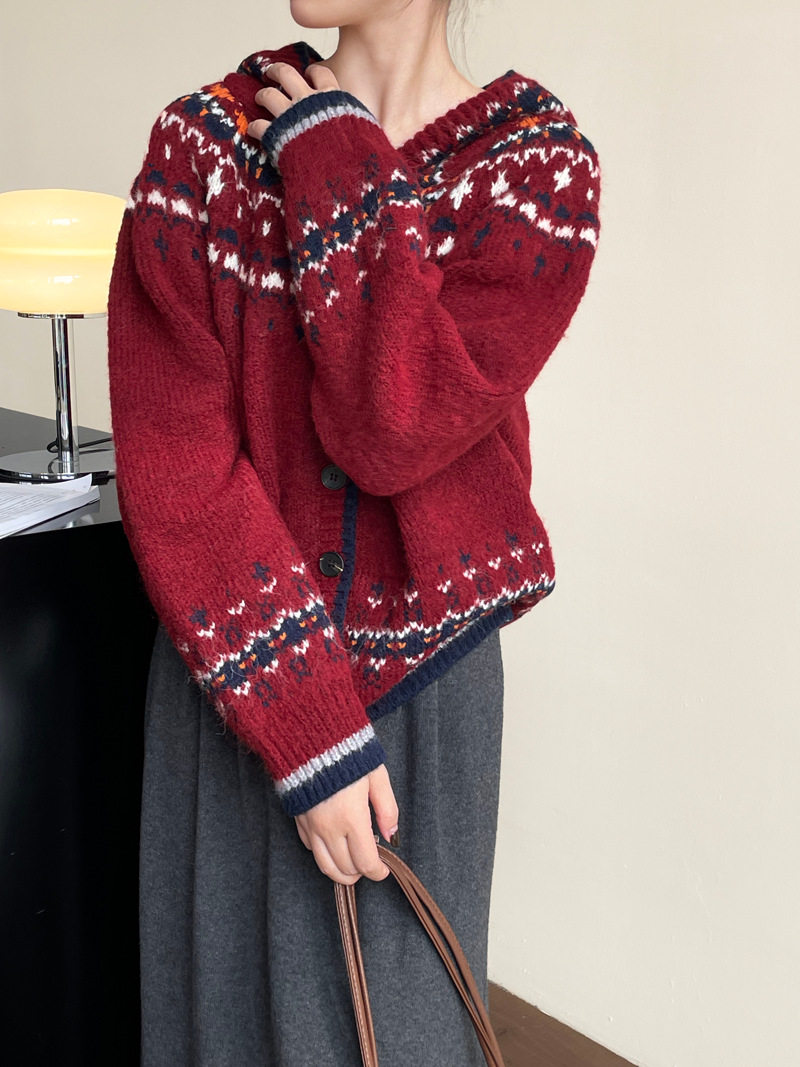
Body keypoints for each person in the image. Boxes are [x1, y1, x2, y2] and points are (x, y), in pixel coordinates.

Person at [106, 1, 601, 1063]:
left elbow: (398, 422)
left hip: (426, 685)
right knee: (220, 1030)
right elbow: (175, 467)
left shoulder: (534, 171)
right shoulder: (203, 149)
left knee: (405, 1034)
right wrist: (307, 727)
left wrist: (334, 156)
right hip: (233, 673)